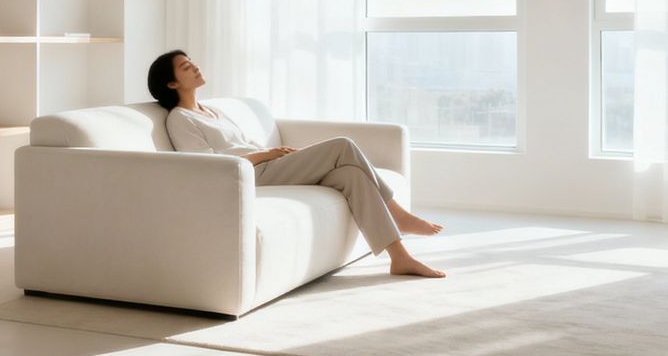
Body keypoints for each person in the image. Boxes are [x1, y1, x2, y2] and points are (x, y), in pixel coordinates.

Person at [149, 50, 446, 279]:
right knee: (343, 145)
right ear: (172, 83)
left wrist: (269, 153)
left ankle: (399, 257)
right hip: (250, 174)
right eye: (186, 67)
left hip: (268, 163)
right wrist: (263, 156)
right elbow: (205, 165)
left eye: (192, 62)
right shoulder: (180, 119)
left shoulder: (211, 110)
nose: (196, 67)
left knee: (351, 175)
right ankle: (399, 216)